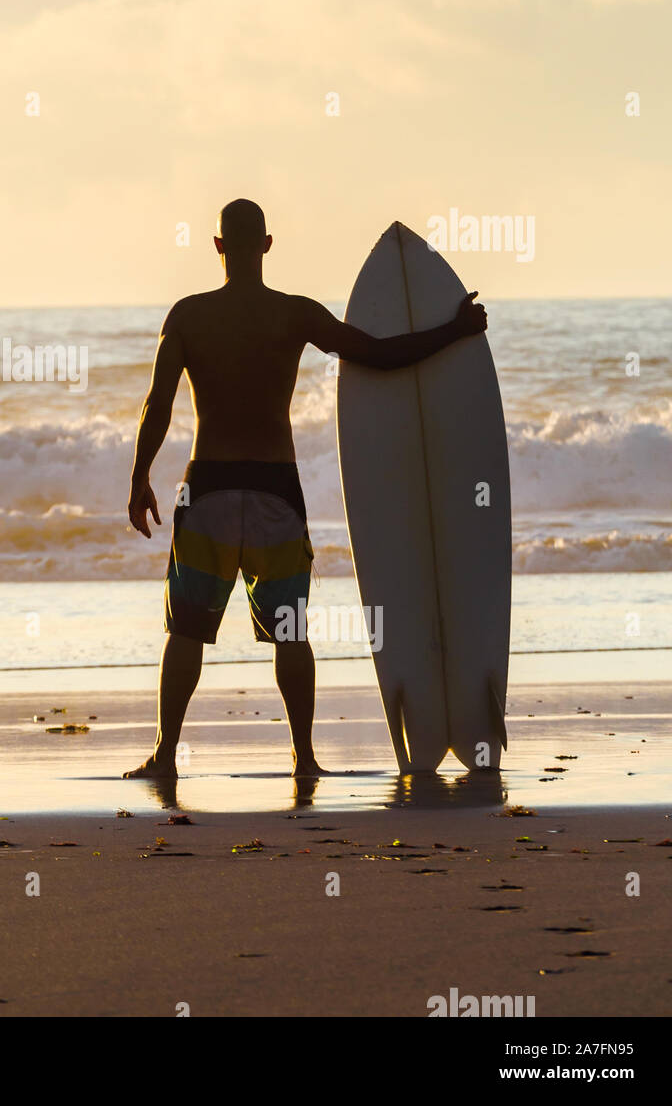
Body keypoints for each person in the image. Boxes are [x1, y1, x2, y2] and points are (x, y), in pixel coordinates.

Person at [125, 199, 487, 778]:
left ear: (218, 246)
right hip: (275, 490)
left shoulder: (188, 316)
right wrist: (455, 330)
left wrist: (140, 475)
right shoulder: (295, 315)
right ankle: (305, 758)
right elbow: (378, 355)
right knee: (290, 630)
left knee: (187, 630)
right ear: (267, 244)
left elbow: (158, 404)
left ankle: (165, 756)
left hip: (209, 488)